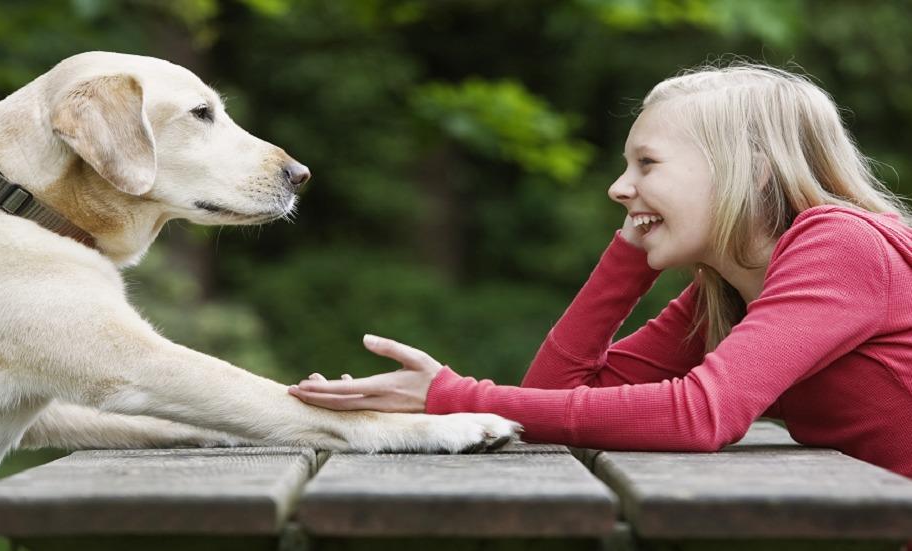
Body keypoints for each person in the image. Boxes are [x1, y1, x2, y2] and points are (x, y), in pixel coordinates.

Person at [287, 62, 912, 479]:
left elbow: (702, 414)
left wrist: (451, 397)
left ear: (742, 167)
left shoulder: (842, 247)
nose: (619, 187)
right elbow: (558, 398)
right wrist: (628, 259)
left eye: (647, 163)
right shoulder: (727, 292)